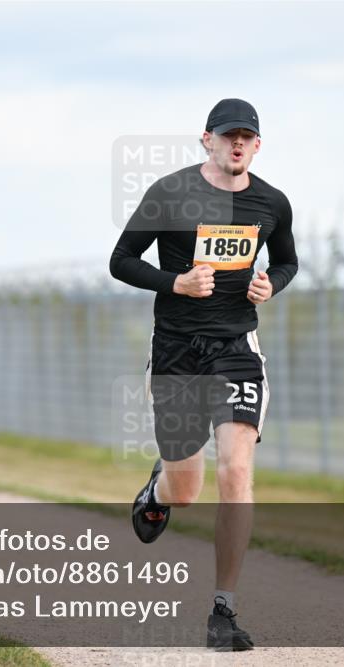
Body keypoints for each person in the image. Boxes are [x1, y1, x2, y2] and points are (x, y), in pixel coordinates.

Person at [109, 99, 298, 651]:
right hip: (175, 352)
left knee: (236, 472)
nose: (237, 145)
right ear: (206, 141)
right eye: (227, 136)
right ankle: (157, 490)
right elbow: (121, 259)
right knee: (187, 490)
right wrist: (177, 283)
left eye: (247, 137)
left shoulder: (272, 203)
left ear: (257, 145)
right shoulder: (170, 193)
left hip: (237, 348)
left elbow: (286, 260)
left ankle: (223, 611)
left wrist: (272, 285)